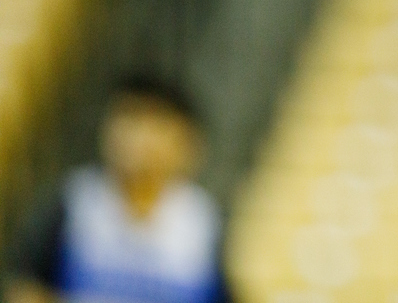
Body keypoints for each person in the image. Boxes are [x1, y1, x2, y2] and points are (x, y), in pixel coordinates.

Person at [5, 76, 232, 303]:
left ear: (187, 144)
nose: (139, 137)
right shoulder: (72, 204)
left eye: (156, 125)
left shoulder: (204, 222)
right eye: (129, 118)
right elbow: (24, 289)